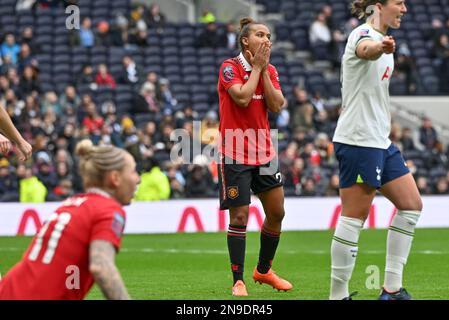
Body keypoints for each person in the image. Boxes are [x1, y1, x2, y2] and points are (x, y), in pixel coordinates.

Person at [330, 0, 422, 300]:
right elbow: (365, 50)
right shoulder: (363, 34)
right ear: (379, 6)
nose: (404, 8)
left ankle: (392, 290)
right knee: (354, 217)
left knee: (411, 206)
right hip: (358, 141)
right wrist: (380, 48)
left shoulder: (384, 43)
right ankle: (338, 295)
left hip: (380, 141)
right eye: (399, 2)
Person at [0, 139, 140, 299]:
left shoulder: (71, 204)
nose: (138, 179)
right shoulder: (107, 209)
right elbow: (102, 267)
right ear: (115, 178)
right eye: (134, 171)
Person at [217, 17, 292, 296]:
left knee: (277, 212)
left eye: (269, 35)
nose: (267, 39)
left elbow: (276, 104)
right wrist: (257, 69)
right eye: (260, 34)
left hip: (264, 151)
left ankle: (263, 270)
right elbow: (243, 98)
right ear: (245, 40)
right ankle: (238, 280)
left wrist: (262, 70)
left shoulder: (270, 70)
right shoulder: (229, 67)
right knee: (239, 217)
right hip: (234, 151)